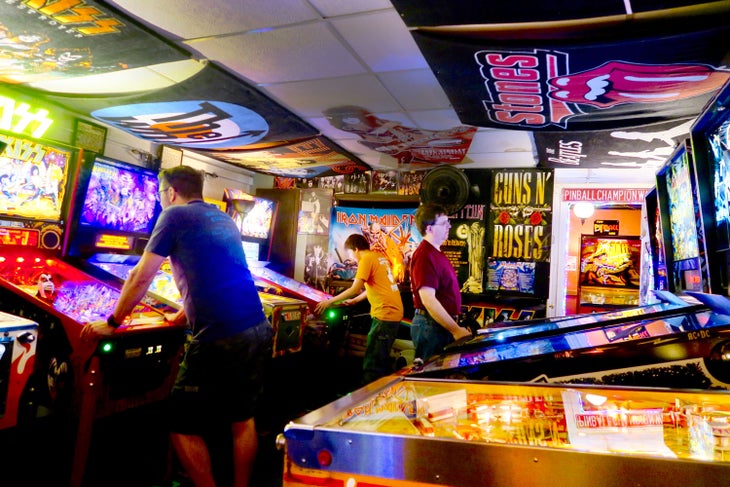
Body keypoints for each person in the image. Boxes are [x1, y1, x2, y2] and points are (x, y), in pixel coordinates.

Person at [80, 165, 273, 487]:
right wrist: (182, 316)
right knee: (242, 418)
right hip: (256, 327)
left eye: (160, 193)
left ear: (171, 192)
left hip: (221, 335)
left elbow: (140, 275)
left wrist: (113, 322)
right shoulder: (222, 218)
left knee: (179, 422)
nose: (160, 199)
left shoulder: (174, 216)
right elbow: (214, 275)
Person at [315, 233, 404, 384]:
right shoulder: (378, 257)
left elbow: (355, 288)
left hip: (385, 314)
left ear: (356, 249)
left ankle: (369, 396)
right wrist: (355, 301)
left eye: (350, 253)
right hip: (393, 313)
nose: (351, 257)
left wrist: (329, 302)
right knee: (380, 360)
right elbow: (375, 286)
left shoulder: (366, 260)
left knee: (373, 365)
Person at [410, 203, 470, 361]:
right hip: (430, 326)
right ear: (429, 228)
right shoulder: (424, 255)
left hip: (438, 325)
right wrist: (456, 330)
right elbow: (428, 300)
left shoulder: (436, 253)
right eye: (443, 223)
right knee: (431, 374)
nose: (449, 226)